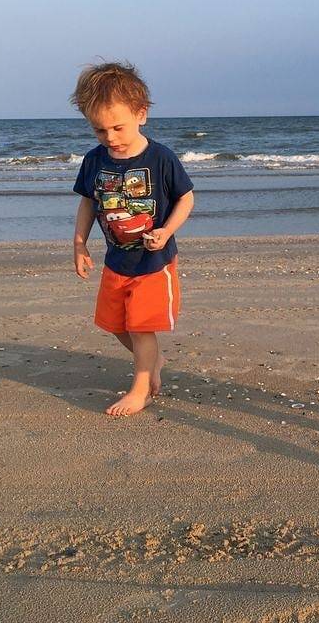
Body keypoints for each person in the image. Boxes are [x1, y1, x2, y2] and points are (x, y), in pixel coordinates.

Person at [70, 62, 195, 416]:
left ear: (142, 115)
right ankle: (153, 359)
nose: (110, 137)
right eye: (99, 130)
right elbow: (88, 202)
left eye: (118, 127)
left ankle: (140, 387)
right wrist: (79, 244)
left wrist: (166, 230)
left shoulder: (160, 158)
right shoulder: (94, 161)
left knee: (141, 327)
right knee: (114, 324)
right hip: (117, 261)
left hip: (154, 263)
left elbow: (186, 198)